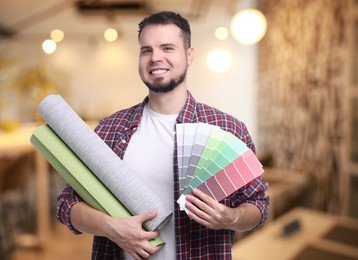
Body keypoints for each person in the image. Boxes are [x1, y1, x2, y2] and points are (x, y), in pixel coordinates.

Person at [56, 10, 269, 260]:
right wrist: (111, 228)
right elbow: (67, 204)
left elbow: (258, 206)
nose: (155, 57)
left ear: (189, 55)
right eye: (146, 50)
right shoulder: (110, 129)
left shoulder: (227, 129)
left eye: (167, 48)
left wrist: (229, 218)